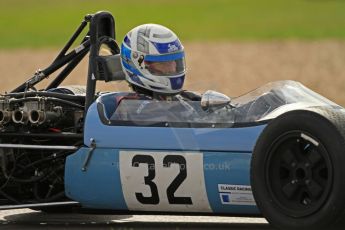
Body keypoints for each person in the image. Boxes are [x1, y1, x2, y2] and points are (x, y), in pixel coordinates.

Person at [120, 23, 201, 102]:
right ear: (141, 64)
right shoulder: (125, 108)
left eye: (175, 61)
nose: (173, 67)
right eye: (165, 62)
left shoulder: (187, 101)